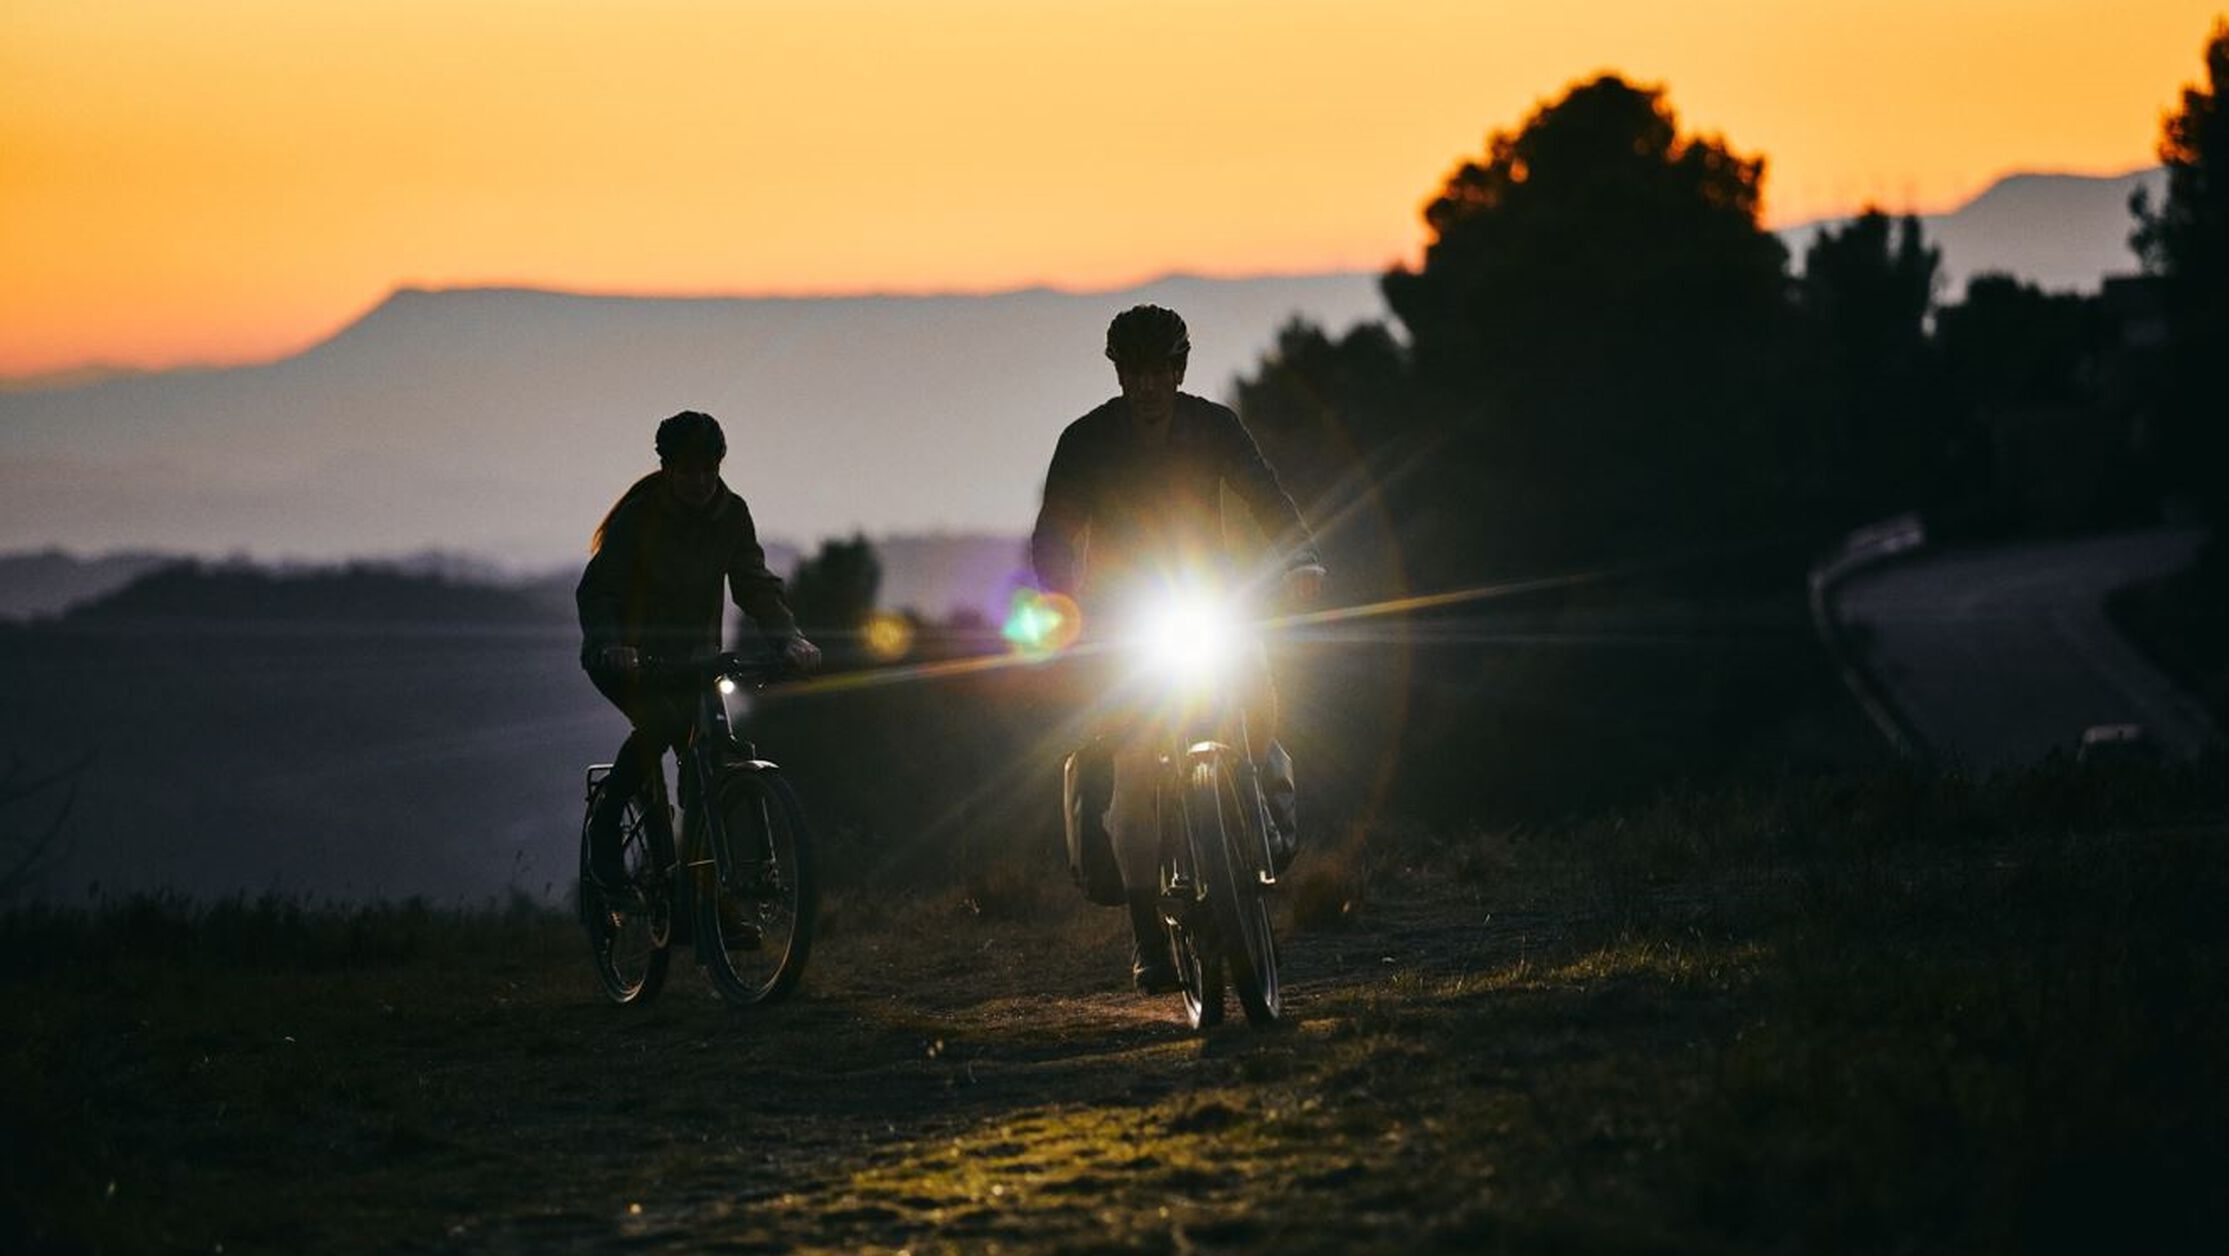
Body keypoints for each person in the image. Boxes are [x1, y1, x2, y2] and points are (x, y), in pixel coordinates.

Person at [1030, 305, 1324, 992]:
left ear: (1179, 370)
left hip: (1208, 596)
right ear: (1119, 375)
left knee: (1254, 697)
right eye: (1133, 372)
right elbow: (1054, 535)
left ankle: (1255, 808)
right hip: (1121, 618)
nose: (1147, 385)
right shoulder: (1086, 441)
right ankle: (1145, 934)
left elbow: (1266, 496)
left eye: (1159, 370)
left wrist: (1300, 557)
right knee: (1134, 772)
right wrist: (1063, 598)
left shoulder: (1215, 428)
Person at [577, 410, 820, 892]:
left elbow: (755, 585)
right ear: (667, 468)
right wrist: (611, 645)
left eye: (710, 469)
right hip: (627, 659)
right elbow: (599, 591)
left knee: (712, 757)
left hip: (695, 662)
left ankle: (708, 895)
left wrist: (788, 638)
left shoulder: (731, 514)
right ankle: (607, 818)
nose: (702, 481)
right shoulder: (639, 517)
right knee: (661, 724)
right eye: (689, 470)